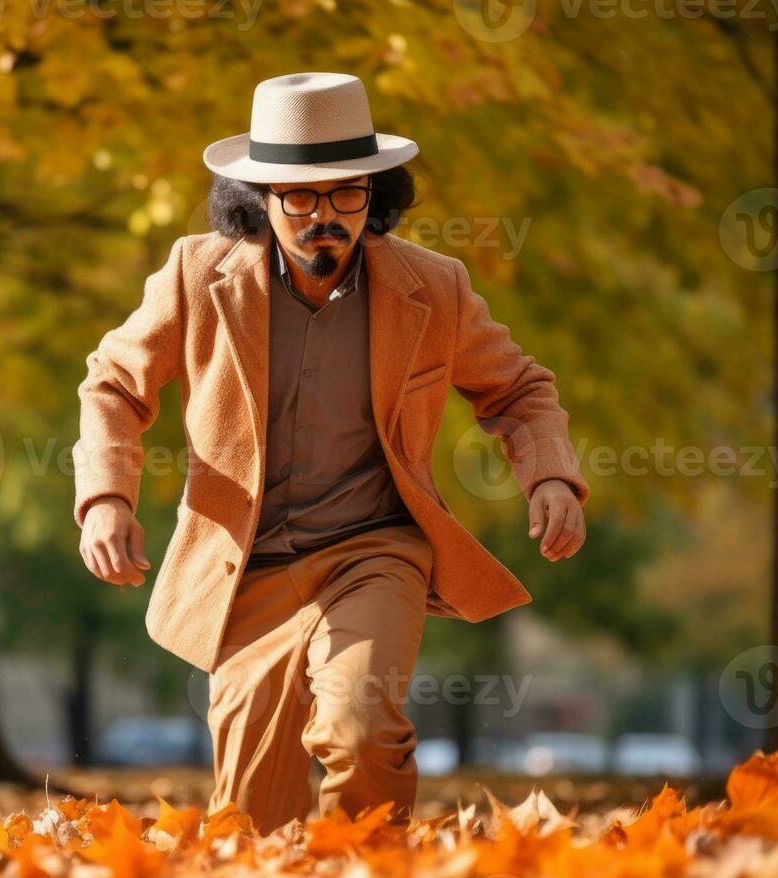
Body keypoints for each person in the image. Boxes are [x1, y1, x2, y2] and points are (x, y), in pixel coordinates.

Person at [72, 72, 589, 834]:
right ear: (260, 200)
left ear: (374, 196)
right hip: (246, 566)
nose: (325, 218)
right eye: (300, 199)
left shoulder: (432, 287)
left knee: (360, 727)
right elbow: (113, 382)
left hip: (373, 552)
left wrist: (550, 477)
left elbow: (517, 388)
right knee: (250, 821)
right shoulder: (194, 275)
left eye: (346, 195)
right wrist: (106, 498)